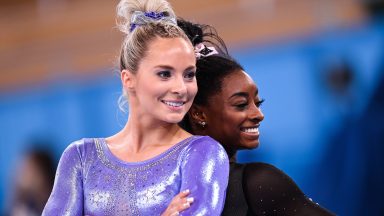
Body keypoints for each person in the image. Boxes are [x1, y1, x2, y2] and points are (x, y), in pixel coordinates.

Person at [42, 1, 229, 215]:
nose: (181, 88)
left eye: (189, 74)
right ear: (128, 79)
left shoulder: (202, 154)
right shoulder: (81, 158)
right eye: (164, 74)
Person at [176, 19, 335, 216]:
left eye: (257, 103)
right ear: (199, 113)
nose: (258, 115)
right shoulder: (257, 184)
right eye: (241, 104)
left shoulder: (258, 185)